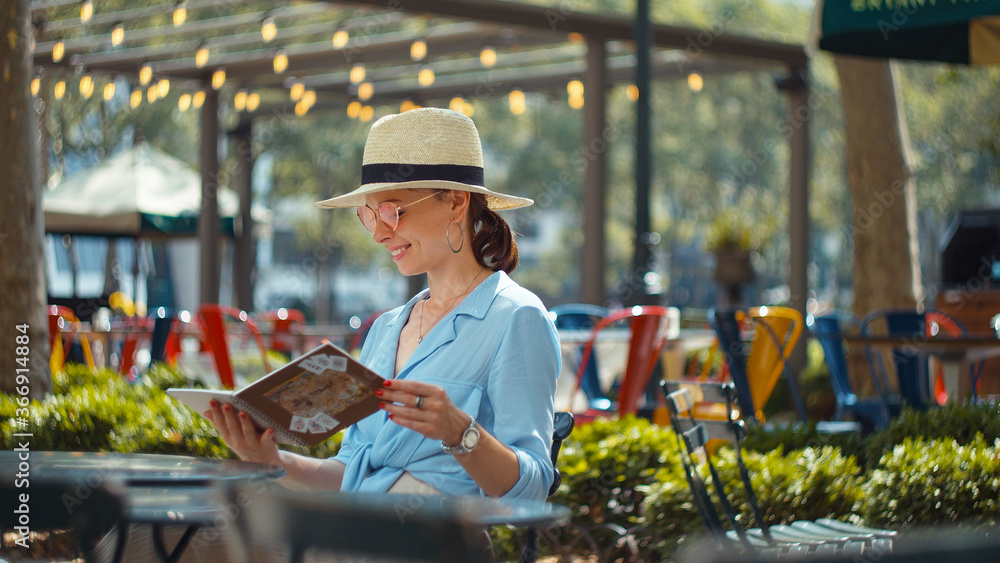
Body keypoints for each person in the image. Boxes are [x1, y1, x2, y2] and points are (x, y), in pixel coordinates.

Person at [206, 107, 561, 501]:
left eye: (392, 211)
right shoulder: (386, 329)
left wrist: (461, 433)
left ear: (457, 202)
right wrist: (272, 461)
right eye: (369, 215)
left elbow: (532, 490)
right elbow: (351, 474)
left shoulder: (517, 317)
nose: (378, 233)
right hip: (355, 534)